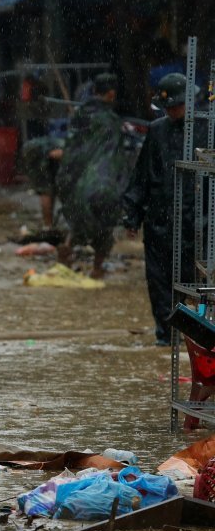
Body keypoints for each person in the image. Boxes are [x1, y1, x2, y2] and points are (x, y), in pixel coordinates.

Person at [122, 72, 206, 346]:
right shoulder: (157, 130)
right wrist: (132, 214)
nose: (172, 112)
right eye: (167, 107)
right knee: (159, 281)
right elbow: (142, 175)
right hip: (161, 220)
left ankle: (196, 337)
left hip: (198, 222)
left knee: (194, 281)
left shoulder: (207, 128)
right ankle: (166, 335)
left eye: (176, 106)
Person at [55, 73, 132, 279]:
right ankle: (97, 269)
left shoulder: (81, 115)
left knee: (76, 220)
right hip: (104, 184)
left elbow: (72, 149)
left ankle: (66, 255)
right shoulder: (112, 122)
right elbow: (116, 158)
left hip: (76, 180)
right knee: (104, 227)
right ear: (111, 94)